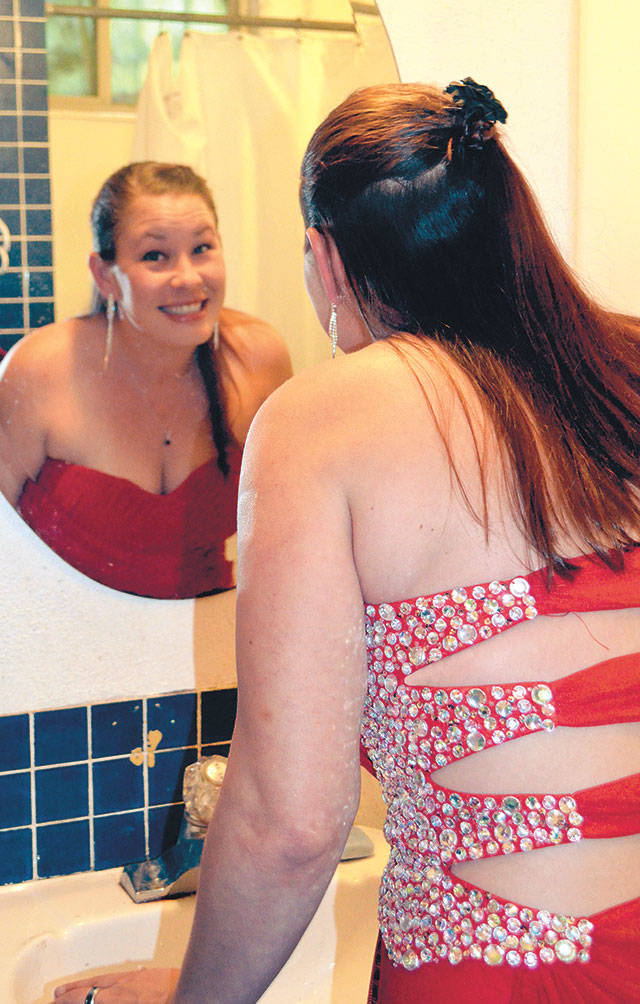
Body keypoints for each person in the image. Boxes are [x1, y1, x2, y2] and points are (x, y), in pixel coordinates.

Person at [53, 79, 640, 1004]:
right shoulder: (623, 367)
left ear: (324, 259)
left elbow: (290, 826)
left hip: (492, 981)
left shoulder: (326, 418)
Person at [0, 161, 292, 599]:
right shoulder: (41, 370)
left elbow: (289, 526)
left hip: (203, 647)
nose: (188, 278)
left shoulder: (256, 359)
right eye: (155, 256)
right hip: (62, 639)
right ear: (105, 275)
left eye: (202, 248)